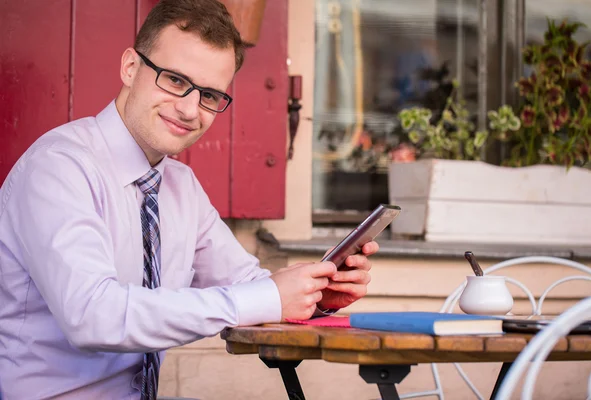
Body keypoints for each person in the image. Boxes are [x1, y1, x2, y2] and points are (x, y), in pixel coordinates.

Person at [0, 0, 379, 399]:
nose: (189, 109)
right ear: (131, 67)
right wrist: (267, 298)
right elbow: (92, 316)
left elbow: (245, 284)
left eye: (210, 95)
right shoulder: (58, 166)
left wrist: (314, 296)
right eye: (175, 81)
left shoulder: (179, 186)